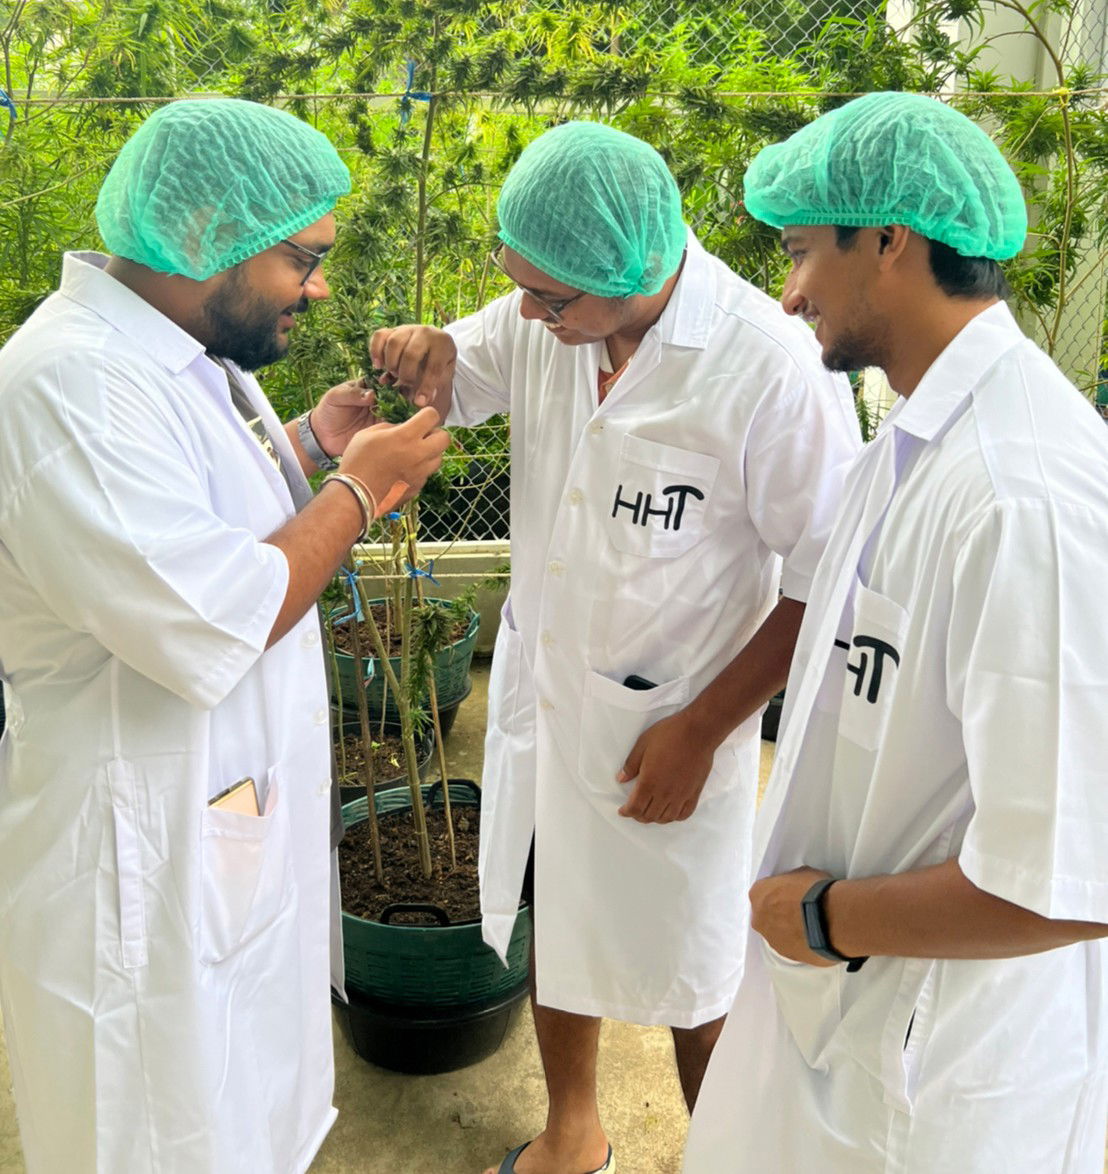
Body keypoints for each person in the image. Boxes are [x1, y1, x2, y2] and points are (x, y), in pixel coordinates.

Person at [370, 120, 861, 1174]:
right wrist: (430, 349)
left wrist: (701, 727)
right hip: (549, 701)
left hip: (676, 722)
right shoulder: (556, 317)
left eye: (551, 301)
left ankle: (724, 1151)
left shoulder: (766, 367)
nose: (531, 319)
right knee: (564, 911)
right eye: (520, 291)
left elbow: (826, 576)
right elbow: (462, 368)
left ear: (635, 270)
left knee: (699, 968)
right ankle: (572, 1130)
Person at [0, 98, 450, 1174]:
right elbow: (216, 608)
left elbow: (187, 522)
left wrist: (308, 442)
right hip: (133, 862)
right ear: (206, 231)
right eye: (304, 257)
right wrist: (360, 487)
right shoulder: (71, 384)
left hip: (209, 817)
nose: (322, 286)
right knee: (154, 1130)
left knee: (237, 1114)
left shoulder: (175, 355)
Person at [684, 91, 1108, 1173]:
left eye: (799, 253)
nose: (786, 295)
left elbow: (1067, 878)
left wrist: (824, 918)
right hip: (855, 1022)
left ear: (889, 240)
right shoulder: (913, 447)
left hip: (941, 1071)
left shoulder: (1021, 496)